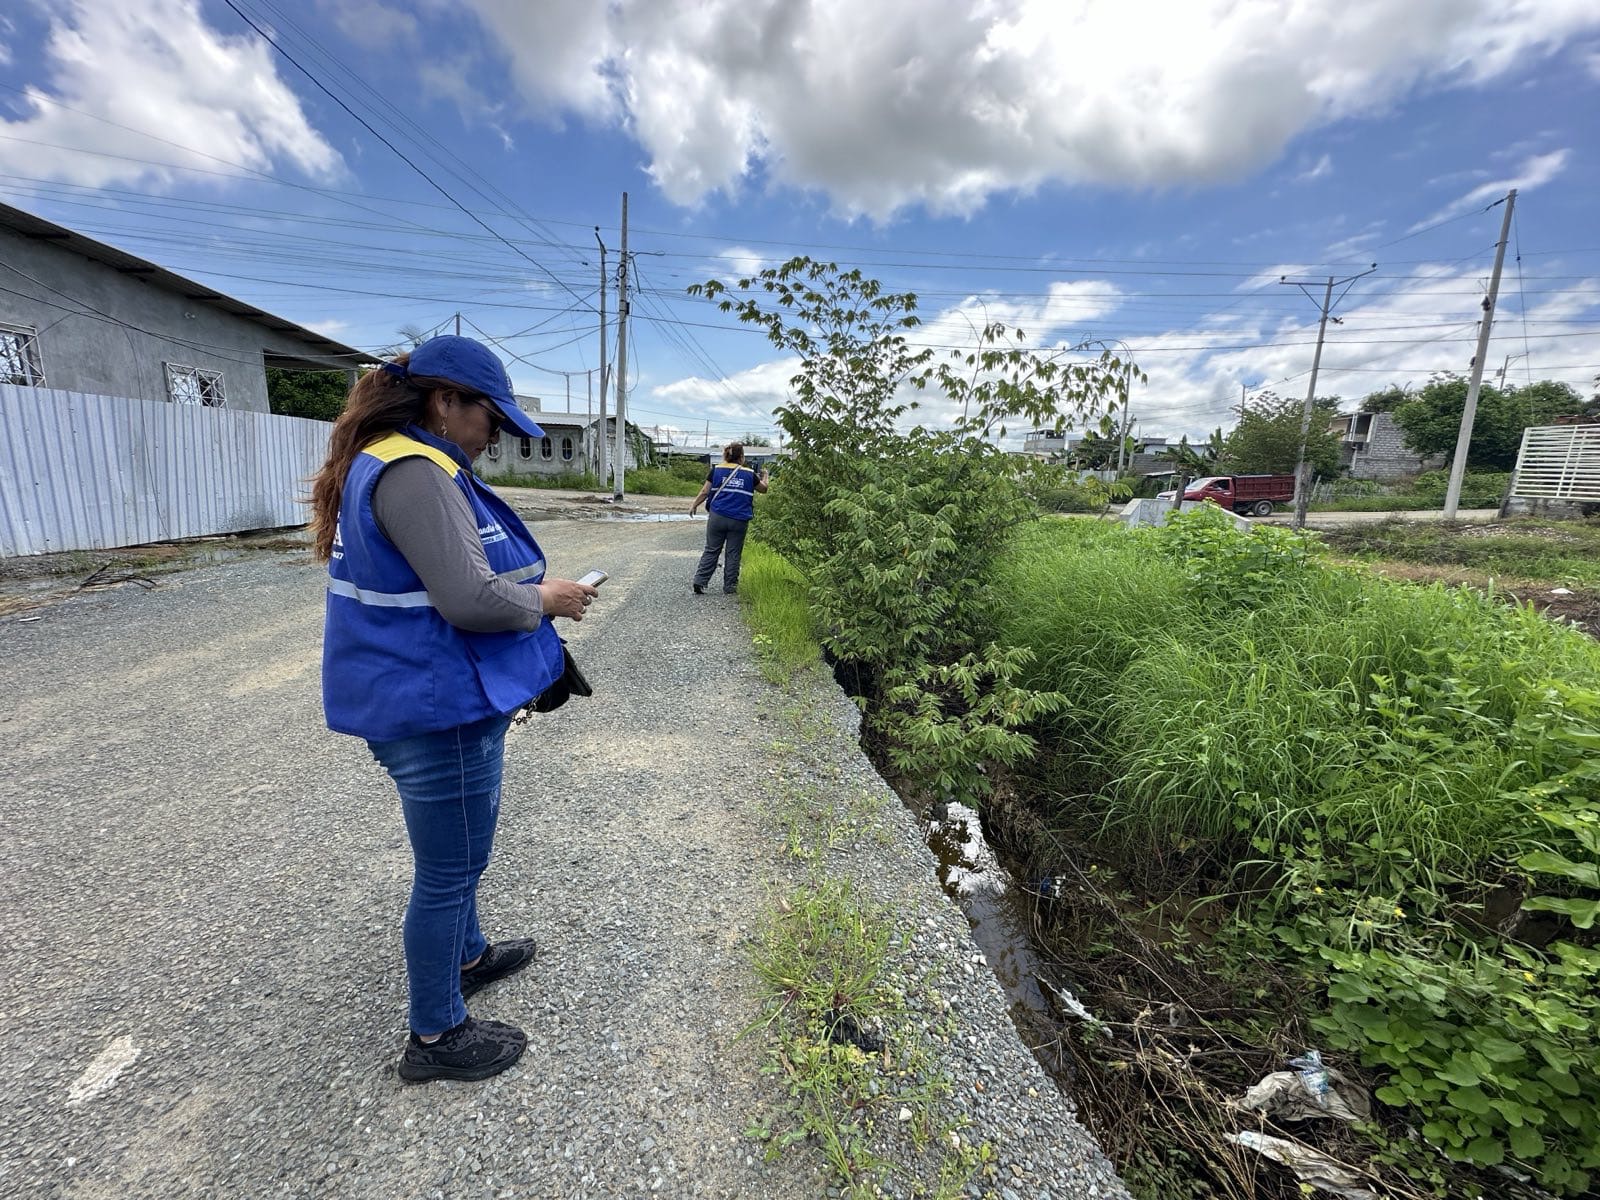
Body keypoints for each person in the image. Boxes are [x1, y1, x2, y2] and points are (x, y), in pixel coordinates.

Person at [308, 335, 598, 1084]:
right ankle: (436, 1033)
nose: (494, 435)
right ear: (444, 401)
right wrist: (547, 599)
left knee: (456, 854)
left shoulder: (393, 459)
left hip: (423, 694)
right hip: (436, 709)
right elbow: (468, 598)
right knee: (449, 869)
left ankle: (467, 956)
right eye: (489, 417)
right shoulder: (415, 472)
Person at [687, 442, 768, 594]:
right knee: (733, 553)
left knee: (711, 549)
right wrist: (765, 476)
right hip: (739, 519)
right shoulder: (749, 474)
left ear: (726, 455)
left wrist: (694, 505)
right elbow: (764, 489)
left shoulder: (716, 470)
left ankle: (700, 581)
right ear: (741, 457)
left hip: (717, 516)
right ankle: (730, 586)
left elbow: (705, 492)